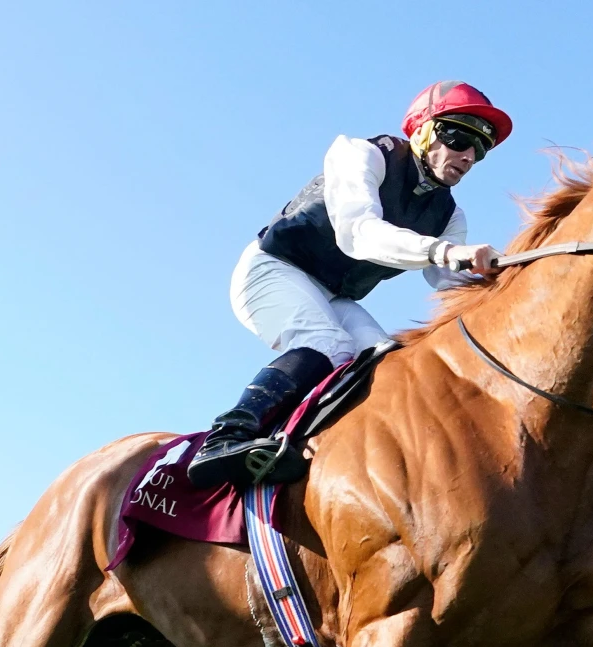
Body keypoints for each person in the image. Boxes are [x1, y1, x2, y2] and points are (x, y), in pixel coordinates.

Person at [188, 81, 512, 488]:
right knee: (330, 345)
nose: (467, 155)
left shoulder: (449, 214)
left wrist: (510, 275)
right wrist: (444, 251)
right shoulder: (361, 154)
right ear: (423, 129)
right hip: (273, 269)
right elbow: (358, 232)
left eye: (479, 149)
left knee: (389, 364)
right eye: (459, 136)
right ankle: (226, 437)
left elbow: (451, 281)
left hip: (333, 296)